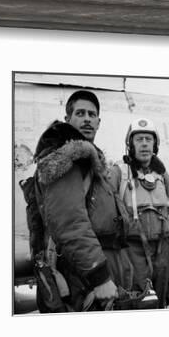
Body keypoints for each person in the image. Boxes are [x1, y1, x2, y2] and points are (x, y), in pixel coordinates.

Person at [33, 90, 133, 311]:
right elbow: (70, 223)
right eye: (80, 113)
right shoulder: (66, 158)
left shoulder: (91, 163)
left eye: (92, 114)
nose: (87, 118)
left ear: (98, 122)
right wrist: (100, 277)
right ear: (68, 119)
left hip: (99, 272)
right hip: (84, 279)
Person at [112, 117, 169, 308]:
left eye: (148, 139)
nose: (144, 144)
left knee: (159, 306)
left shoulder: (162, 175)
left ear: (155, 144)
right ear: (131, 144)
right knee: (136, 306)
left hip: (162, 251)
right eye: (139, 139)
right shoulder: (119, 173)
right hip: (132, 253)